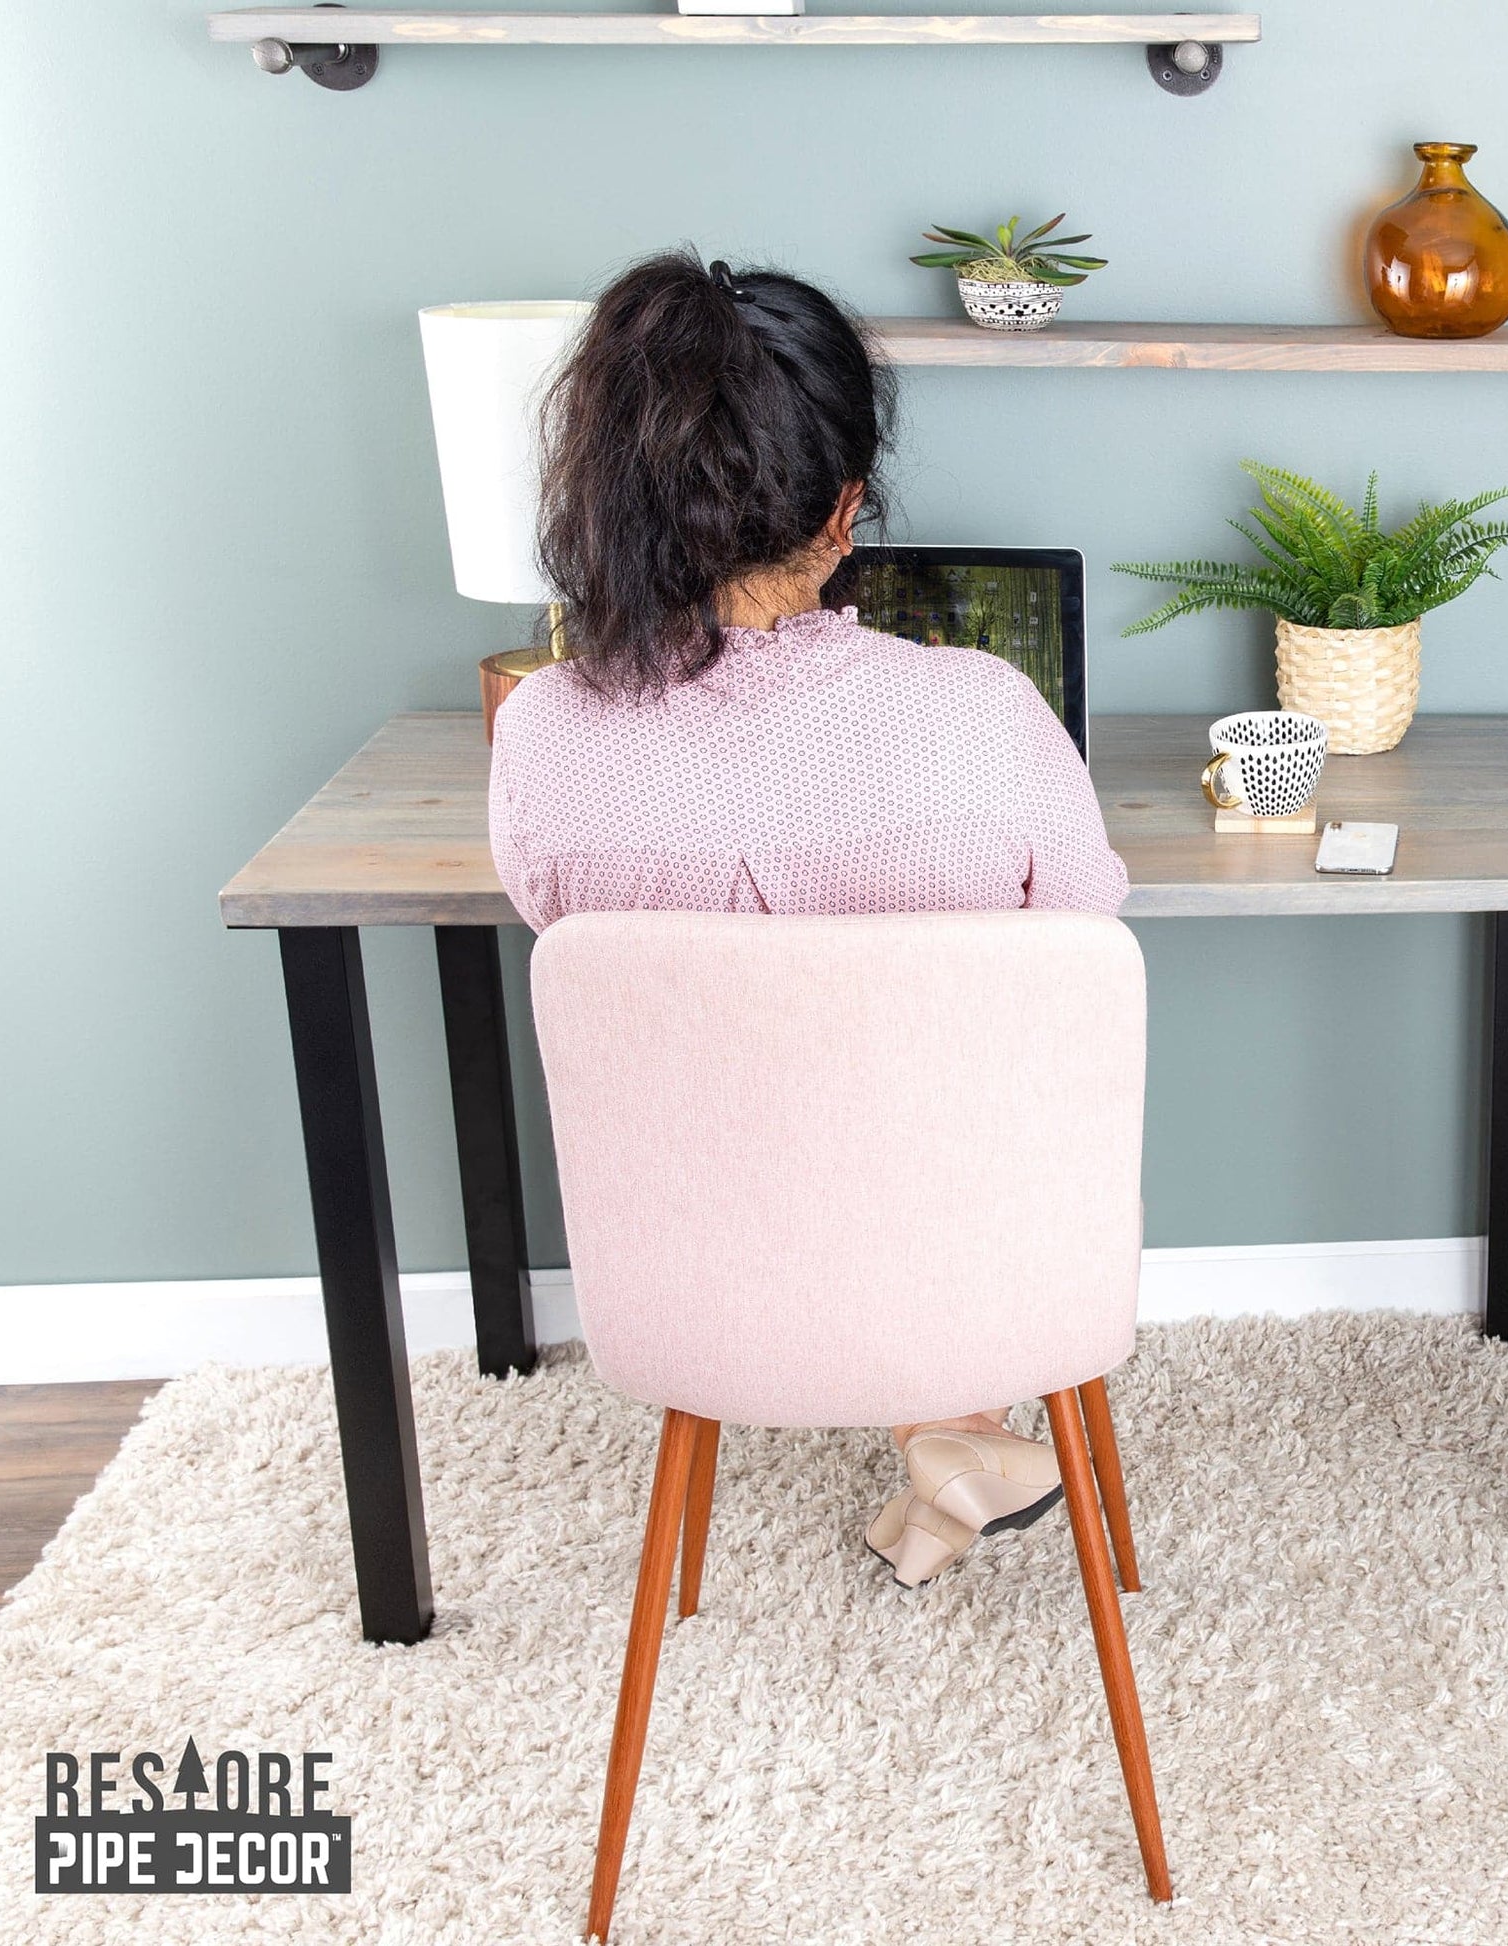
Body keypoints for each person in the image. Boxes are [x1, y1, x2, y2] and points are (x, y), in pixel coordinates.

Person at [489, 250, 1129, 1588]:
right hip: (975, 1264)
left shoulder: (540, 735)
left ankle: (946, 1439)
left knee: (771, 1086)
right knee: (947, 1088)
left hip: (701, 1280)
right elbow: (1079, 939)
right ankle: (957, 1419)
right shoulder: (984, 713)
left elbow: (563, 921)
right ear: (846, 506)